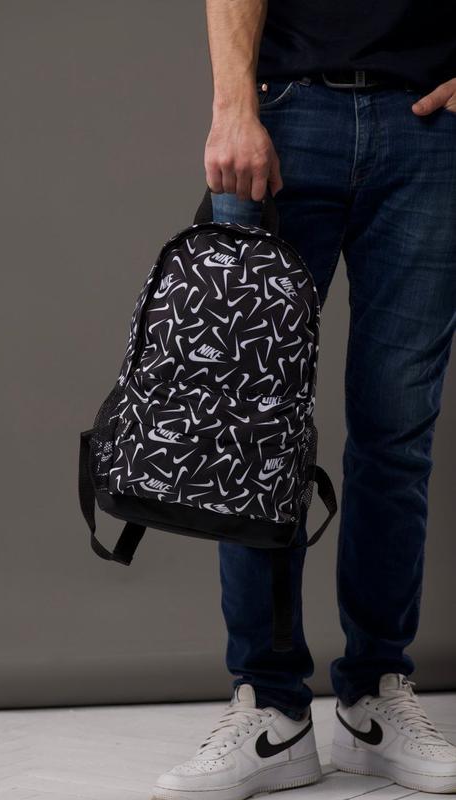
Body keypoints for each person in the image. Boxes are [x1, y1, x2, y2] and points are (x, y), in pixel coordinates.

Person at [152, 1, 456, 798]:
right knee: (250, 431)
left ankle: (373, 700)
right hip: (287, 110)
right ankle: (270, 710)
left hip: (430, 126)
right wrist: (232, 107)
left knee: (398, 431)